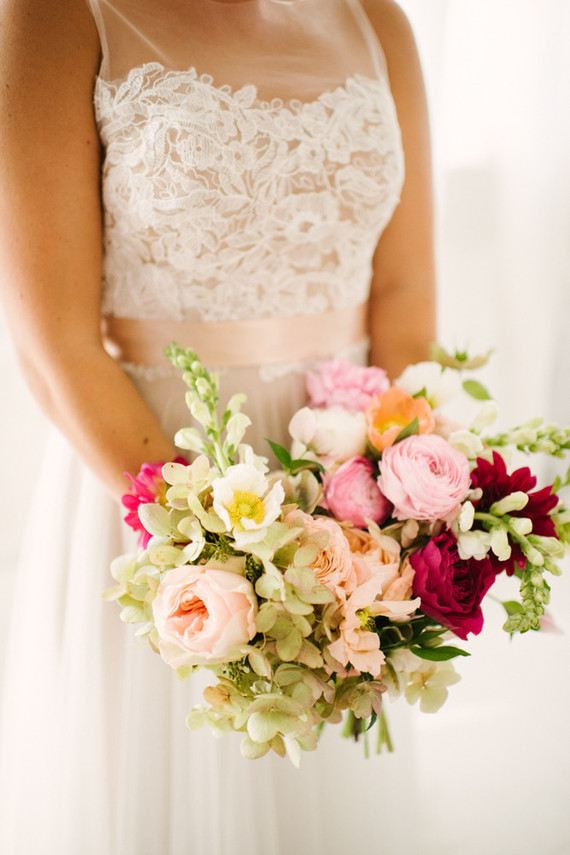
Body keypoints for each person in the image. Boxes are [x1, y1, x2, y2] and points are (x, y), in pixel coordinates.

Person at [0, 0, 435, 852]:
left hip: (350, 493)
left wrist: (408, 501)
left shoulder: (378, 19)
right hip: (153, 478)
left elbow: (405, 297)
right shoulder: (52, 15)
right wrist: (226, 557)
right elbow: (51, 339)